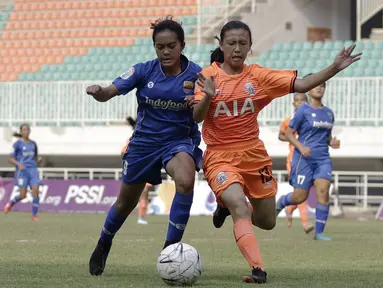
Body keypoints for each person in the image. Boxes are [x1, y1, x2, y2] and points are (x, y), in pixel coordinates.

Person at [193, 20, 361, 283]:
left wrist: (335, 68)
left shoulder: (259, 77)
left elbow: (303, 84)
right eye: (231, 43)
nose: (237, 48)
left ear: (250, 47)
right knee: (240, 206)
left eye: (242, 43)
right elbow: (196, 117)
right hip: (219, 155)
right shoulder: (207, 76)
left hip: (253, 155)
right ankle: (258, 269)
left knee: (267, 221)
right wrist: (207, 96)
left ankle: (224, 206)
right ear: (222, 46)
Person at [86, 16, 203, 276]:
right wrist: (98, 91)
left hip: (178, 141)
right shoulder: (143, 70)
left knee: (185, 181)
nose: (165, 51)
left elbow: (202, 112)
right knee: (124, 204)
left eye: (171, 46)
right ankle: (104, 242)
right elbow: (109, 92)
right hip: (144, 144)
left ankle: (170, 250)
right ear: (154, 47)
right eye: (160, 47)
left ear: (182, 45)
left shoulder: (196, 74)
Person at [276, 76, 341, 241]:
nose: (319, 88)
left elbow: (327, 137)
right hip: (303, 159)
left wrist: (332, 142)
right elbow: (289, 133)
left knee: (323, 192)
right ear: (309, 89)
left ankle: (319, 233)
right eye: (316, 85)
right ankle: (281, 202)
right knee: (300, 197)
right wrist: (301, 147)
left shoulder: (328, 113)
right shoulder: (302, 110)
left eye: (322, 85)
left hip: (323, 159)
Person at [278, 92, 313, 233]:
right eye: (297, 101)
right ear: (293, 104)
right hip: (294, 160)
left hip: (309, 159)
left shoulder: (311, 119)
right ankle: (305, 223)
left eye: (302, 101)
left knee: (303, 192)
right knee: (300, 190)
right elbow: (281, 135)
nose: (299, 103)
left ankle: (290, 208)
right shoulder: (289, 120)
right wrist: (294, 139)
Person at [4, 124, 41, 220]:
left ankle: (34, 215)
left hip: (33, 170)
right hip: (22, 171)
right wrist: (18, 164)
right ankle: (10, 203)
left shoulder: (33, 143)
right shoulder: (17, 144)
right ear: (21, 132)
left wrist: (38, 160)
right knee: (23, 195)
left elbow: (35, 156)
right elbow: (10, 158)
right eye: (24, 130)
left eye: (28, 129)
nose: (26, 131)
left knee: (36, 190)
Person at [121, 116, 152, 225]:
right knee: (142, 196)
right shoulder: (149, 138)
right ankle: (140, 217)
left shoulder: (132, 139)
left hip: (137, 172)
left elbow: (123, 153)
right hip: (144, 172)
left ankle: (140, 217)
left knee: (139, 196)